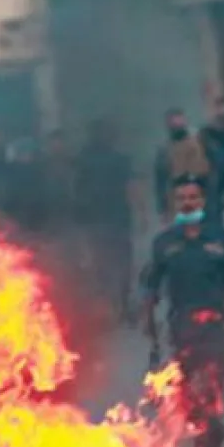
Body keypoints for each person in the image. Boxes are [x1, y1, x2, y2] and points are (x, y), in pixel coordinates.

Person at [141, 176, 224, 447]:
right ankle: (210, 432)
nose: (188, 203)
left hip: (214, 331)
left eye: (193, 197)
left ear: (203, 202)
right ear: (175, 203)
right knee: (188, 400)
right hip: (181, 331)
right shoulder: (164, 243)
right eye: (182, 198)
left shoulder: (220, 240)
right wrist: (149, 328)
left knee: (210, 393)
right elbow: (150, 288)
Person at [73, 117, 143, 323]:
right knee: (116, 264)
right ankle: (117, 305)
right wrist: (141, 212)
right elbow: (132, 187)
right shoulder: (115, 158)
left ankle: (114, 306)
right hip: (108, 218)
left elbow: (76, 189)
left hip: (106, 219)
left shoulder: (85, 158)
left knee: (108, 264)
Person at [154, 107, 211, 217]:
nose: (176, 123)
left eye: (179, 119)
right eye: (173, 121)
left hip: (200, 196)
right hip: (176, 200)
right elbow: (160, 182)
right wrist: (162, 208)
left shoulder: (200, 142)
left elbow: (209, 171)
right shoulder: (164, 150)